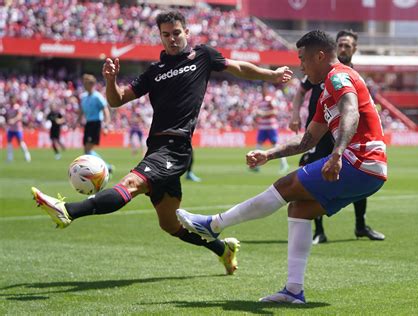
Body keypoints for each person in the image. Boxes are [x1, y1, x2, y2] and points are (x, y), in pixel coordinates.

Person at [31, 11, 293, 275]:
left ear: (186, 33)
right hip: (157, 148)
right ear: (160, 37)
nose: (172, 39)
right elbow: (117, 99)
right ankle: (222, 249)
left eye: (177, 33)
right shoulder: (154, 72)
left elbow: (238, 67)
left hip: (176, 147)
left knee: (131, 184)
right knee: (170, 224)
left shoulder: (202, 56)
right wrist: (110, 81)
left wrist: (270, 75)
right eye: (166, 35)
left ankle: (68, 211)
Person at [176, 30, 388, 303]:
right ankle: (294, 291)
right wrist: (269, 154)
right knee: (299, 209)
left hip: (359, 161)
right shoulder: (326, 94)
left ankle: (214, 225)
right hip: (370, 171)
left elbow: (351, 111)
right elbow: (305, 141)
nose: (300, 66)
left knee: (285, 186)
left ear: (320, 56)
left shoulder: (338, 76)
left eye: (303, 59)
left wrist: (337, 154)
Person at [289, 29, 384, 244]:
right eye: (340, 44)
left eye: (347, 46)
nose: (342, 49)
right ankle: (318, 230)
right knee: (314, 175)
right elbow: (301, 90)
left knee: (357, 174)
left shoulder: (351, 75)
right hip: (320, 133)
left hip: (345, 132)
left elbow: (357, 108)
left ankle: (360, 226)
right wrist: (295, 113)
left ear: (354, 49)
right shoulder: (320, 68)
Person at [77, 73, 113, 173]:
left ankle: (105, 167)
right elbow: (81, 111)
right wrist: (78, 121)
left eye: (86, 83)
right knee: (86, 150)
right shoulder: (83, 97)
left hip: (96, 123)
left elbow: (105, 110)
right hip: (88, 124)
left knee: (88, 150)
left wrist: (106, 124)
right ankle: (106, 167)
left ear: (91, 84)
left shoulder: (97, 97)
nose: (84, 85)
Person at [251, 83, 289, 173]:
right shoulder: (261, 101)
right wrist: (256, 116)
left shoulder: (270, 100)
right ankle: (256, 165)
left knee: (275, 146)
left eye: (263, 89)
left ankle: (284, 164)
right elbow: (260, 113)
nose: (262, 91)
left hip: (270, 126)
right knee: (258, 146)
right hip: (262, 126)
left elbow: (275, 111)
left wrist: (263, 114)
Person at [5, 96, 31, 163]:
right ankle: (9, 158)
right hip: (10, 128)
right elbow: (7, 116)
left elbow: (19, 116)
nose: (11, 101)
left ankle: (27, 155)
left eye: (12, 100)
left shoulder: (17, 107)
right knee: (9, 142)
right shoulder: (8, 107)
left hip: (17, 128)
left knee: (20, 142)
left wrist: (13, 120)